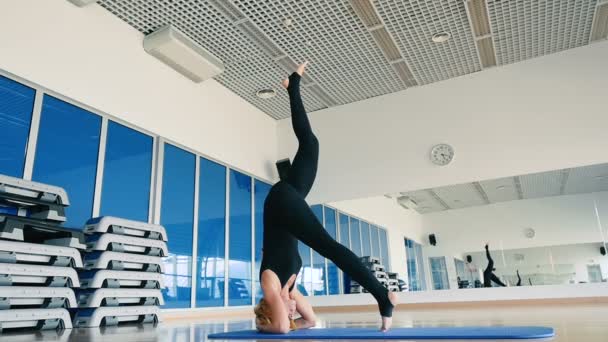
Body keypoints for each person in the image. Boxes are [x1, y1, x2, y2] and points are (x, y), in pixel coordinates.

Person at [256, 62, 397, 334]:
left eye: (287, 311)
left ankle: (383, 297)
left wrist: (271, 324)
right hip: (289, 200)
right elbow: (310, 321)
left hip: (280, 202)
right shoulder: (291, 291)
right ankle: (293, 85)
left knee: (329, 247)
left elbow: (284, 329)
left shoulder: (270, 285)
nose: (294, 310)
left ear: (273, 310)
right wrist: (294, 312)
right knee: (311, 144)